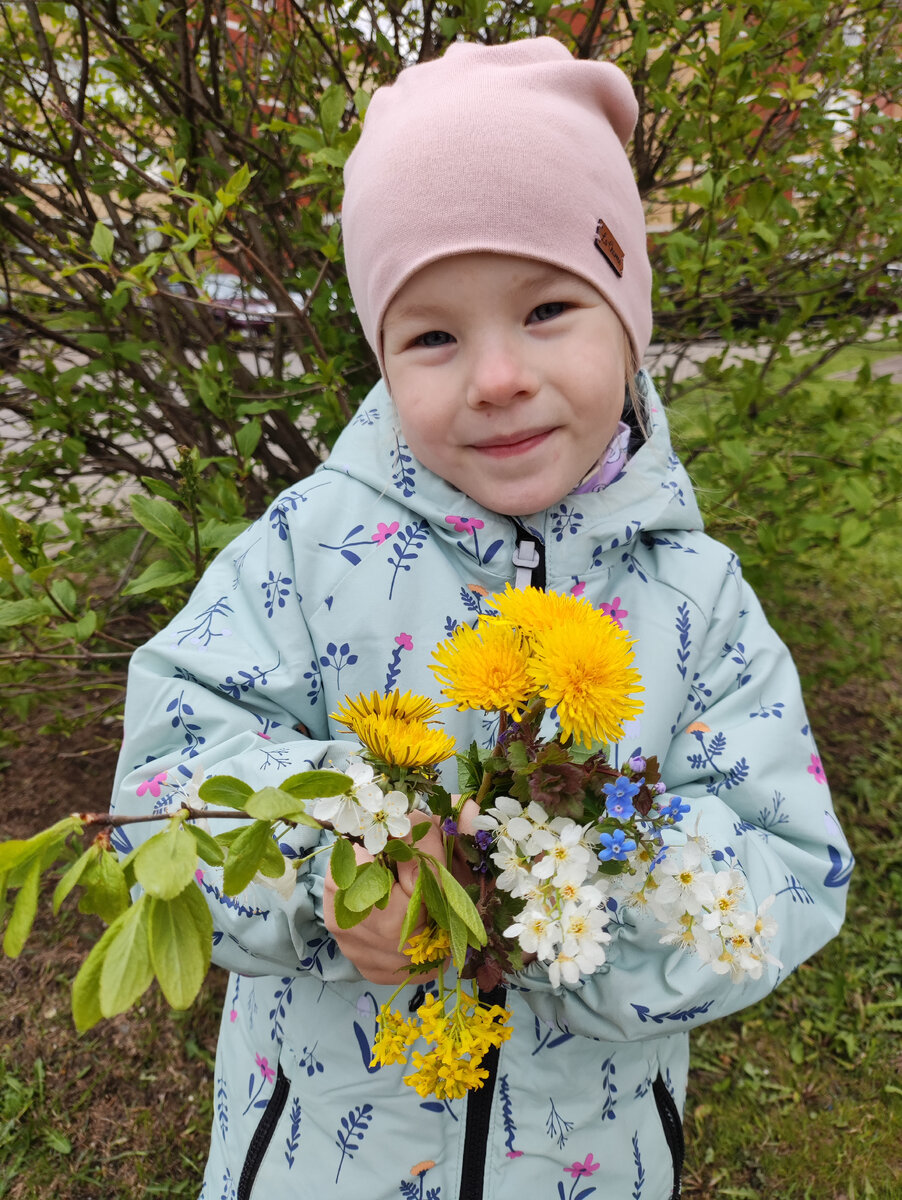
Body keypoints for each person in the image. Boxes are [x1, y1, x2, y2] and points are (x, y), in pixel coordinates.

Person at [111, 37, 851, 1200]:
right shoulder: (305, 555)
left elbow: (789, 864)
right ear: (381, 359)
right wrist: (329, 865)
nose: (495, 375)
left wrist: (564, 897)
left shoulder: (697, 600)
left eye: (549, 307)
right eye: (433, 335)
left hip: (586, 1161)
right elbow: (163, 783)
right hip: (316, 1157)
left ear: (628, 320)